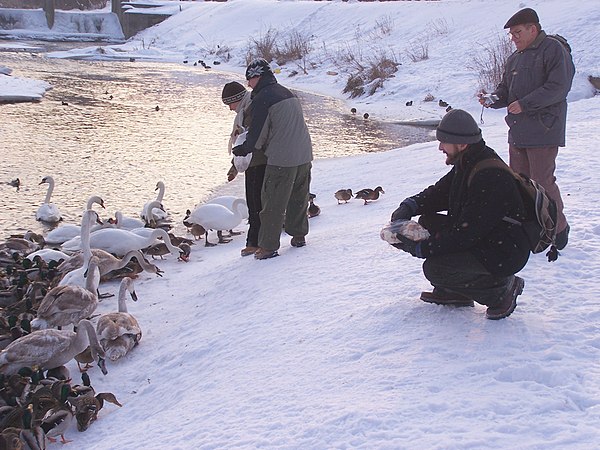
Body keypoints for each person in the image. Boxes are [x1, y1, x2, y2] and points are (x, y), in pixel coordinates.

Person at [390, 109, 530, 320]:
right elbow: (439, 193)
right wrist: (409, 206)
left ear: (462, 144)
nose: (440, 147)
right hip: (488, 237)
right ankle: (455, 291)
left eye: (444, 142)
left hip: (505, 251)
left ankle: (502, 291)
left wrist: (420, 247)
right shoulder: (469, 160)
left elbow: (466, 234)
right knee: (427, 223)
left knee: (435, 268)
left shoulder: (489, 175)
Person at [480, 7, 575, 251]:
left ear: (533, 29)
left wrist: (525, 104)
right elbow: (505, 90)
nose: (514, 38)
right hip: (518, 132)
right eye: (511, 34)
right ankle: (531, 229)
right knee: (520, 183)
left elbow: (558, 87)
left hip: (544, 130)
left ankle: (559, 228)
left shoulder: (553, 50)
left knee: (542, 182)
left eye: (518, 32)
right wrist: (493, 99)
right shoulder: (515, 58)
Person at [232, 58, 313, 260]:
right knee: (298, 197)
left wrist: (243, 149)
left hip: (281, 159)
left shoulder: (263, 98)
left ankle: (268, 247)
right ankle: (299, 235)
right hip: (304, 154)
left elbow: (258, 134)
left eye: (249, 80)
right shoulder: (288, 93)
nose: (248, 85)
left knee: (272, 203)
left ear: (257, 77)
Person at [221, 81, 267, 257]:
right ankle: (255, 240)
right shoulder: (245, 111)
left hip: (259, 162)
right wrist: (234, 167)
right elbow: (241, 142)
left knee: (256, 203)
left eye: (230, 104)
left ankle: (256, 242)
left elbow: (249, 140)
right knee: (253, 202)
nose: (230, 109)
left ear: (237, 99)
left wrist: (236, 164)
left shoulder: (251, 111)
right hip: (251, 162)